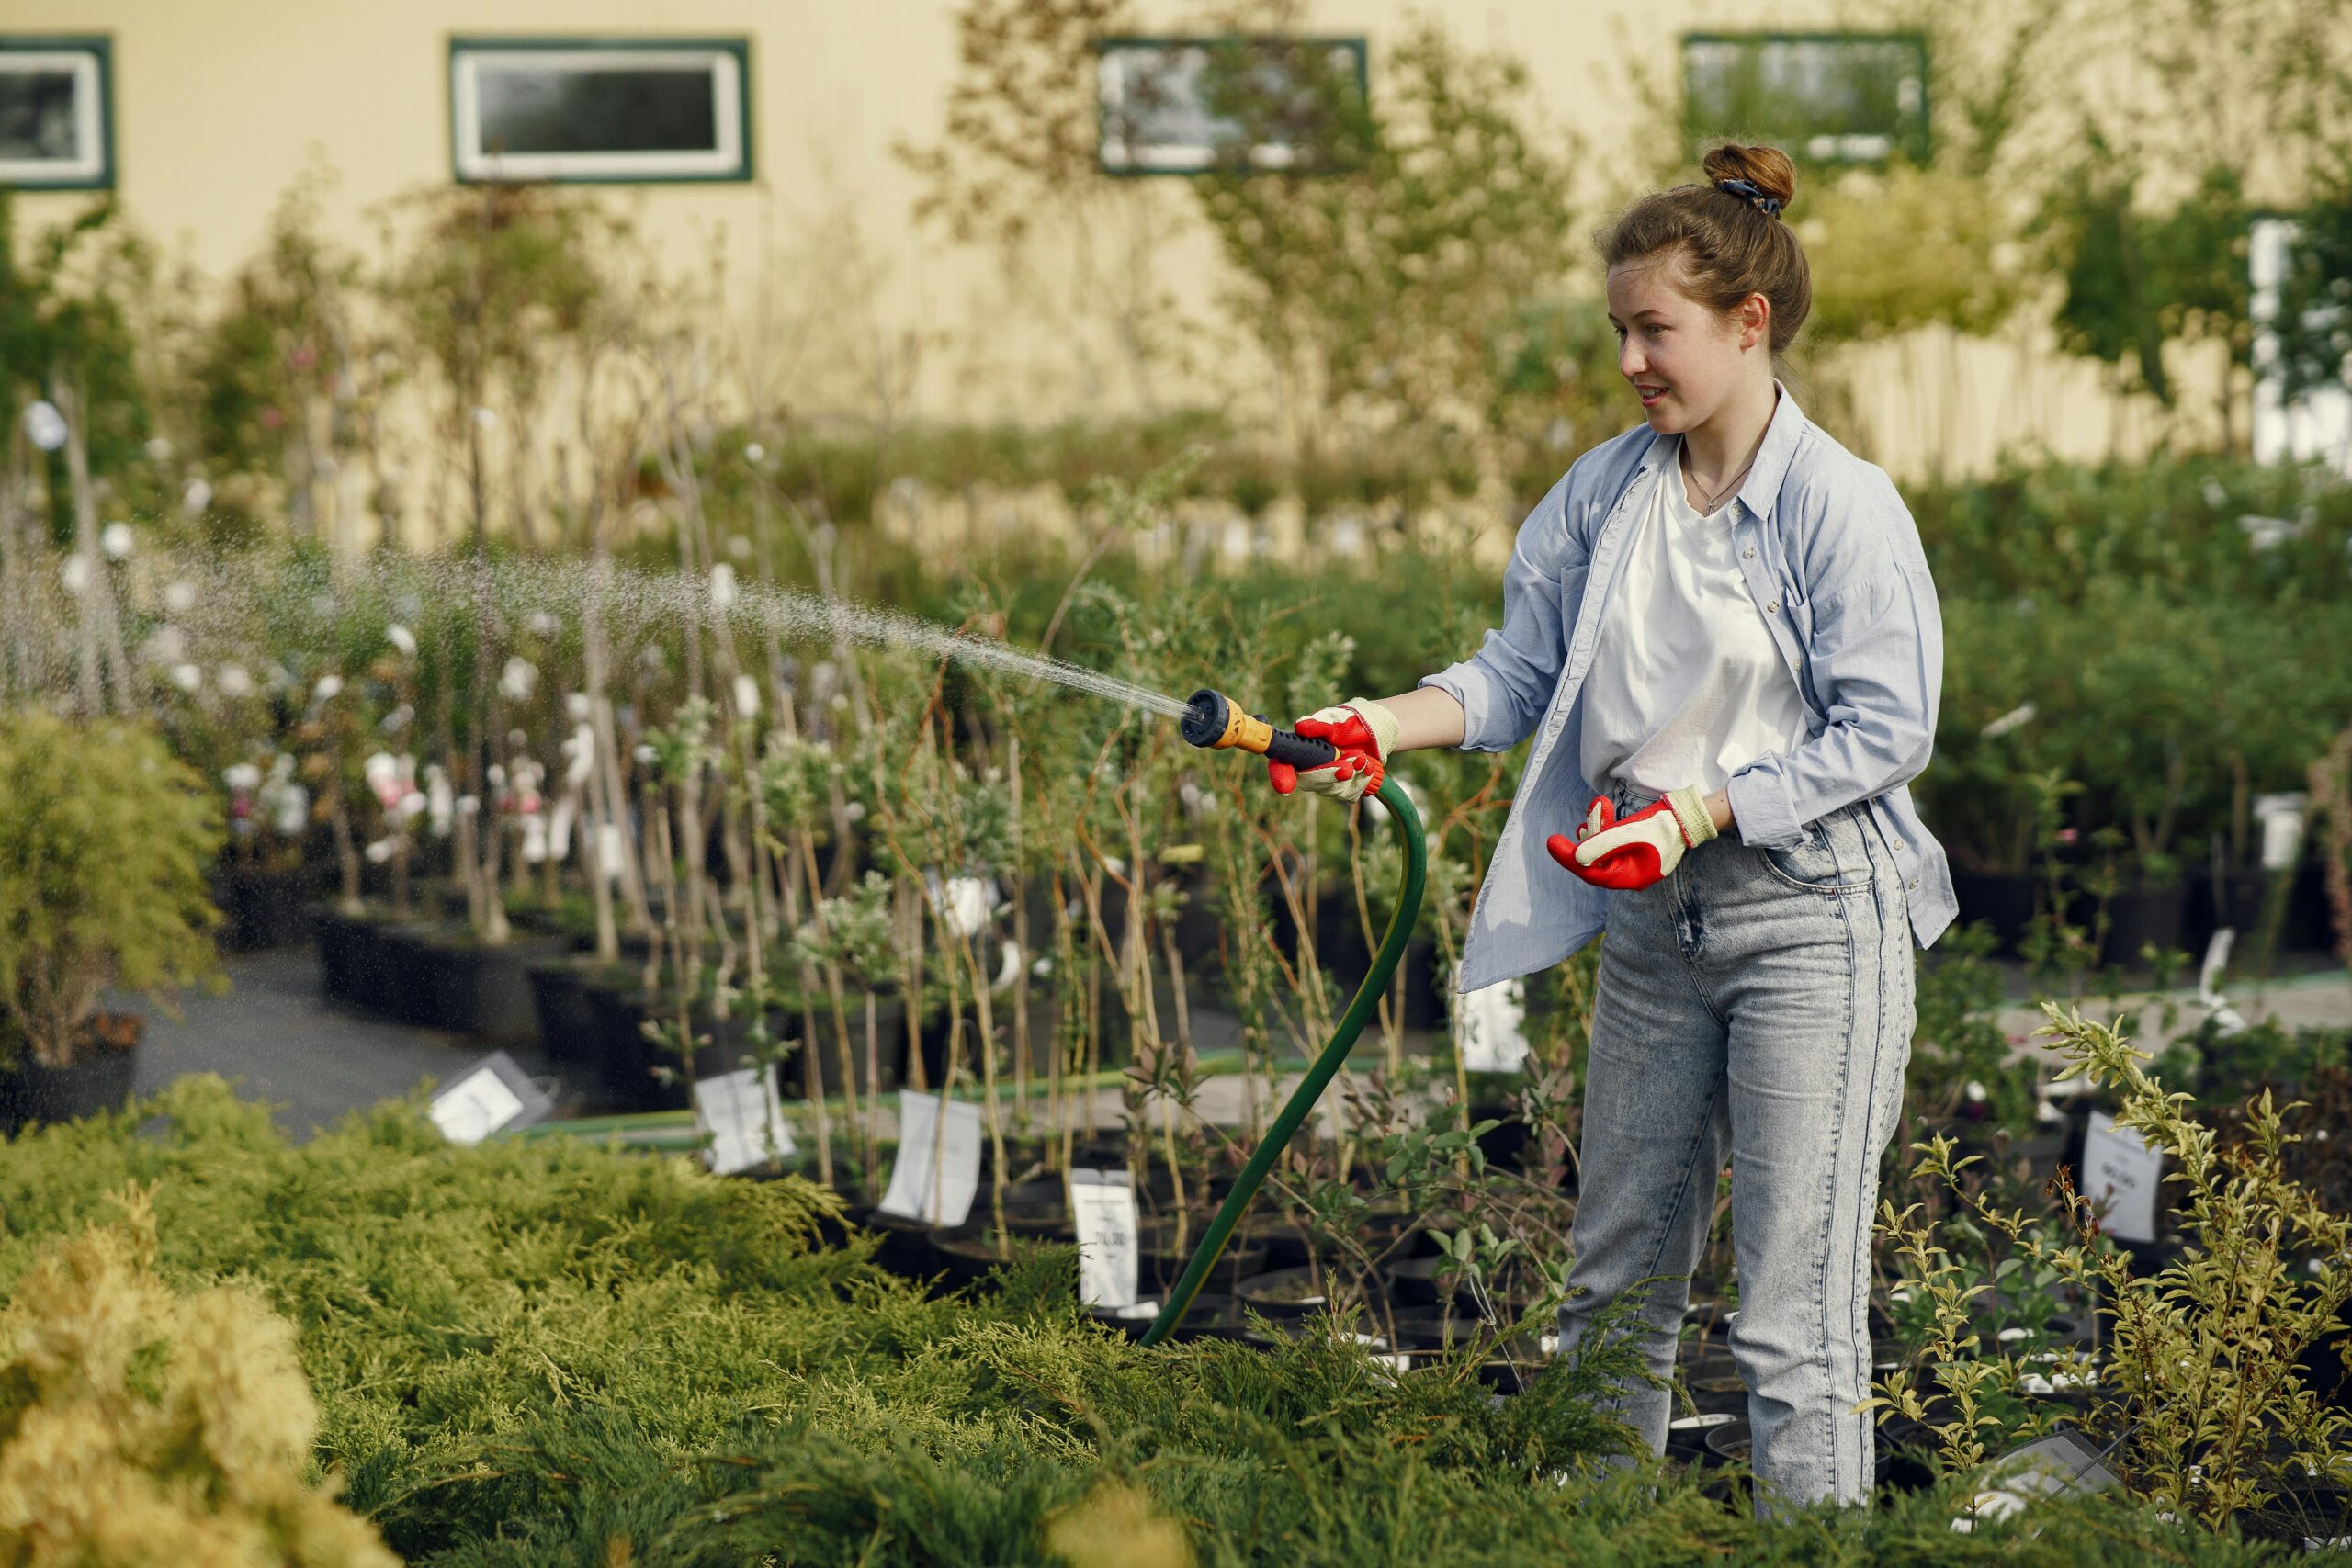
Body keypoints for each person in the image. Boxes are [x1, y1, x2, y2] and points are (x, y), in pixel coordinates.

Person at [1266, 142, 1957, 1518]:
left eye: (1659, 330)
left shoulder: (1839, 505)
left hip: (1808, 918)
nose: (1634, 359)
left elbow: (1888, 730)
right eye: (1621, 332)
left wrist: (1703, 808)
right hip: (1654, 924)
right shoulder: (1606, 493)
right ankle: (1592, 1541)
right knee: (1614, 1287)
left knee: (1792, 1311)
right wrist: (1380, 723)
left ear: (1747, 323)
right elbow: (1516, 675)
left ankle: (1809, 1551)